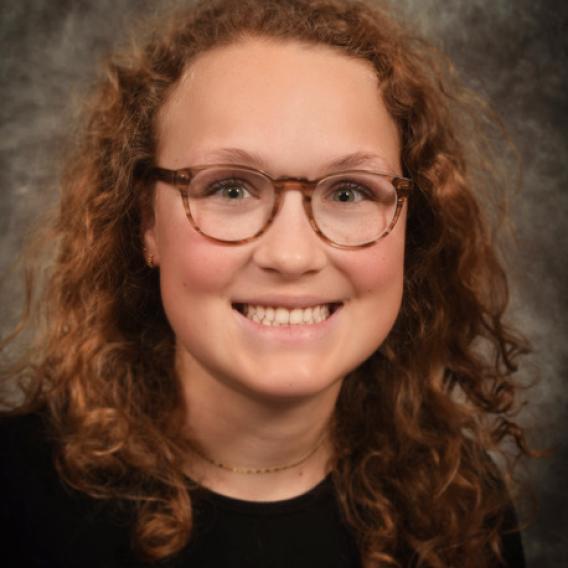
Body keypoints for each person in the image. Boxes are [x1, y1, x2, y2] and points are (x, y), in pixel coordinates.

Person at [0, 0, 535, 566]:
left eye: (349, 191)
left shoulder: (465, 513)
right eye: (230, 188)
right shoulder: (13, 494)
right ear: (147, 223)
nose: (291, 255)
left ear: (412, 226)